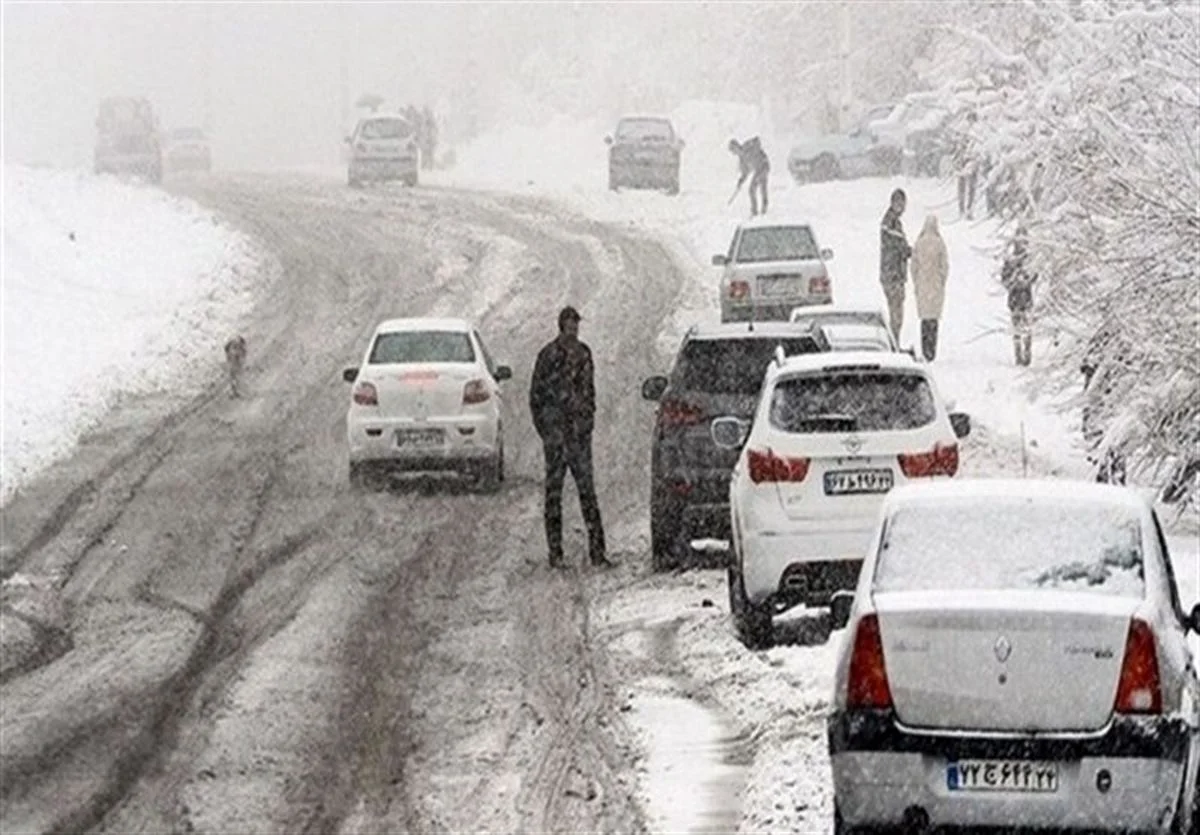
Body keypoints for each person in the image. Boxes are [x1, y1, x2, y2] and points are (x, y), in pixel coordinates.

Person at [529, 307, 613, 569]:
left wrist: (586, 423)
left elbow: (589, 393)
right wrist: (547, 430)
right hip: (557, 436)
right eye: (569, 324)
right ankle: (555, 554)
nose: (573, 329)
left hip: (577, 436)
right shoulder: (548, 356)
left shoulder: (584, 354)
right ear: (561, 326)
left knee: (587, 492)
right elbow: (536, 396)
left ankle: (597, 552)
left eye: (576, 324)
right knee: (554, 495)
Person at [910, 214, 949, 361]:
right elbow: (944, 266)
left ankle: (925, 348)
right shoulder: (940, 243)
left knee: (924, 321)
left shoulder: (919, 243)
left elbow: (913, 266)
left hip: (922, 286)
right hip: (936, 286)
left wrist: (917, 281)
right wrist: (941, 281)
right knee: (934, 320)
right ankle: (932, 350)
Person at [999, 226, 1037, 366]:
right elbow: (1005, 278)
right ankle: (1020, 353)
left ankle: (1024, 352)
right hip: (1020, 298)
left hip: (1021, 298)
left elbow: (1034, 276)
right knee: (1020, 326)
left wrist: (1020, 281)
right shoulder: (1016, 259)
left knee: (1024, 326)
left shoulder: (1026, 259)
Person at [879, 188, 912, 343]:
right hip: (892, 274)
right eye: (899, 203)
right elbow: (895, 244)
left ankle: (894, 341)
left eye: (903, 203)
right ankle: (894, 342)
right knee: (896, 312)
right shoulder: (890, 222)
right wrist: (907, 250)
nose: (902, 207)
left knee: (897, 311)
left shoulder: (894, 221)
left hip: (894, 273)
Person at [728, 137, 770, 217]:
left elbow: (757, 140)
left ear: (737, 146)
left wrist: (755, 148)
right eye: (733, 152)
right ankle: (757, 210)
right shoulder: (742, 160)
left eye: (734, 150)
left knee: (758, 187)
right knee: (754, 189)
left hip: (764, 166)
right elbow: (745, 173)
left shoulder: (747, 146)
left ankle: (761, 209)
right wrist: (741, 181)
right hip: (758, 170)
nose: (735, 153)